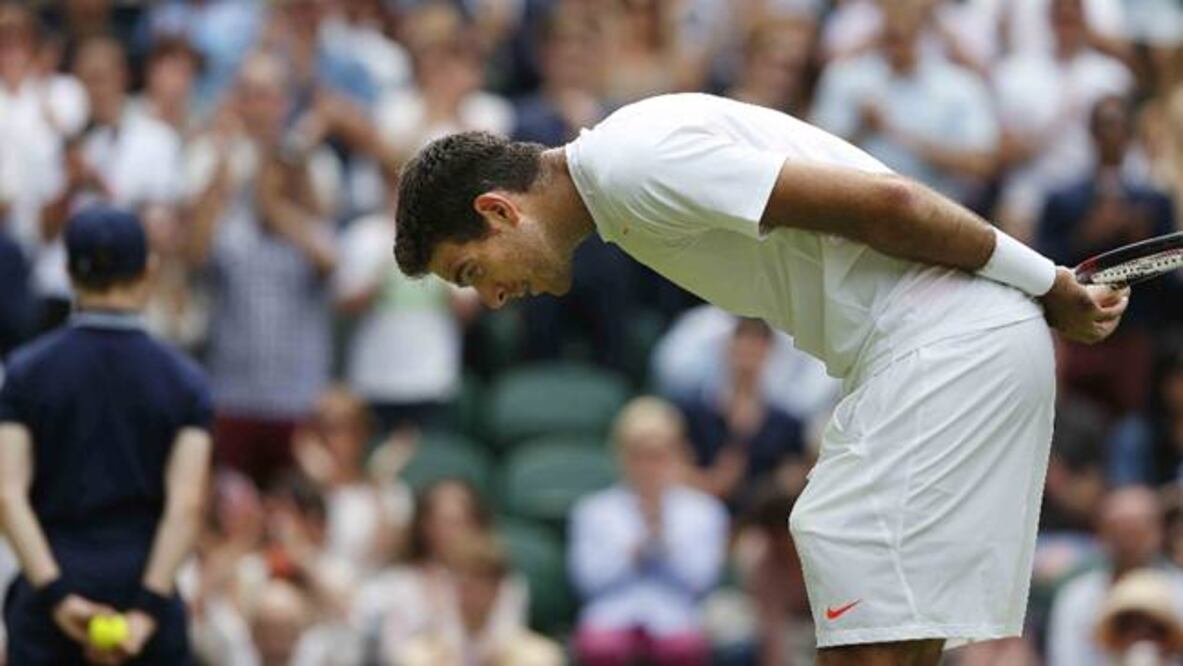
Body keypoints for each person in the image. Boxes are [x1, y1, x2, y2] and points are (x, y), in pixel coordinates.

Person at [392, 88, 1131, 665]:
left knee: (852, 580)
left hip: (948, 336)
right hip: (949, 342)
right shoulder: (620, 179)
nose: (490, 297)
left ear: (497, 210)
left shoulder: (629, 163)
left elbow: (890, 203)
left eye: (470, 271)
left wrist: (1045, 283)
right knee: (894, 633)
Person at [0, 206, 212, 663]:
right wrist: (146, 613)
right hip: (145, 591)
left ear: (68, 273)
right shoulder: (184, 380)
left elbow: (7, 494)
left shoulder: (24, 373)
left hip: (49, 598)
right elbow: (187, 505)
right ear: (148, 271)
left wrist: (56, 597)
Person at [568, 396, 728, 666]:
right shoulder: (592, 510)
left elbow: (703, 581)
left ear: (678, 454)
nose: (648, 466)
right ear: (621, 456)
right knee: (599, 647)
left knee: (683, 647)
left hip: (677, 616)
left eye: (658, 455)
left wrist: (664, 542)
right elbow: (585, 582)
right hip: (611, 615)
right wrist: (632, 553)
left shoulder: (705, 511)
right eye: (638, 455)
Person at [1046, 486, 1183, 666]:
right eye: (1120, 530)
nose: (1129, 541)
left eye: (1137, 530)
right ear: (1101, 533)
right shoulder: (1077, 597)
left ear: (1159, 531)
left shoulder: (1179, 593)